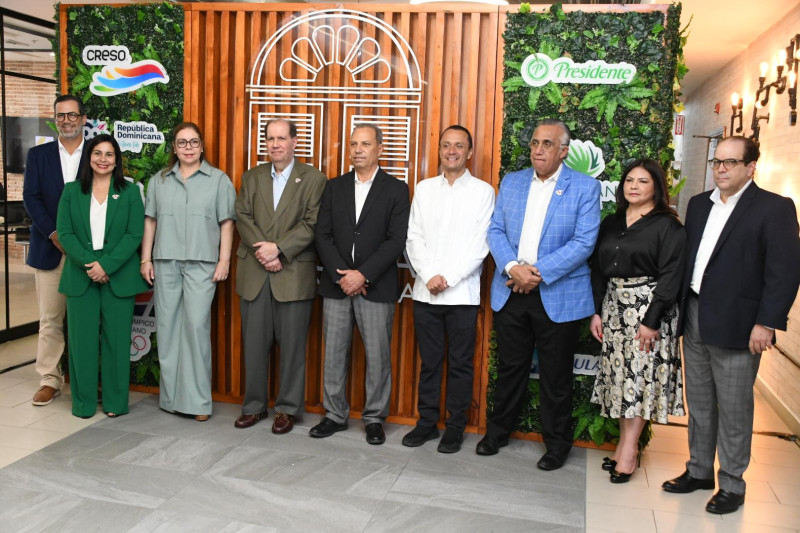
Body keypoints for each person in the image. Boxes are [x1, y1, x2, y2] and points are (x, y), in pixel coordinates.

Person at [662, 136, 800, 514]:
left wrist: (767, 323)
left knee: (735, 408)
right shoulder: (698, 204)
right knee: (701, 403)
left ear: (751, 166)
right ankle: (699, 471)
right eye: (716, 162)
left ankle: (733, 485)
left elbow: (784, 272)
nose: (720, 169)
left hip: (741, 325)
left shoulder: (774, 208)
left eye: (730, 163)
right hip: (695, 315)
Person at [480, 118, 600, 470]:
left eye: (547, 144)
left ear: (564, 151)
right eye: (534, 143)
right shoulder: (513, 182)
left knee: (556, 374)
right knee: (510, 368)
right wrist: (512, 267)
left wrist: (537, 273)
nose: (538, 150)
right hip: (511, 289)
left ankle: (557, 445)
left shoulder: (584, 187)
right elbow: (496, 230)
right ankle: (497, 433)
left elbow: (583, 242)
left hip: (556, 294)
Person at [589, 159, 686, 483]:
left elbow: (672, 275)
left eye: (643, 181)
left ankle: (629, 452)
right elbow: (598, 269)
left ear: (657, 187)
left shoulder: (668, 226)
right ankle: (622, 447)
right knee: (620, 379)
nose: (634, 186)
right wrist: (598, 311)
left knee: (641, 381)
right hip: (614, 308)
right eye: (629, 180)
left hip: (648, 314)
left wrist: (652, 320)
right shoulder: (611, 222)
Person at [311, 124, 410, 445]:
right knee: (334, 354)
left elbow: (396, 240)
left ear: (379, 149)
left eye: (365, 144)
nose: (357, 150)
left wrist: (363, 274)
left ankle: (374, 418)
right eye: (353, 144)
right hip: (337, 285)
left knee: (378, 356)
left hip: (375, 286)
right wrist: (343, 276)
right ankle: (335, 415)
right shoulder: (334, 186)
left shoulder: (396, 189)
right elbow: (322, 234)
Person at [402, 125, 494, 453]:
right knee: (429, 362)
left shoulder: (483, 191)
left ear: (469, 152)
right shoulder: (424, 189)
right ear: (439, 150)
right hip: (426, 292)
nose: (451, 151)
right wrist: (429, 275)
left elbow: (480, 243)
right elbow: (413, 237)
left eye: (458, 146)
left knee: (460, 363)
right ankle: (427, 422)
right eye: (445, 145)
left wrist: (448, 278)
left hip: (462, 295)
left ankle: (455, 426)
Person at [233, 119, 326, 433]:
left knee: (293, 349)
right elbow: (242, 216)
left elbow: (312, 224)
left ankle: (287, 409)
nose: (275, 144)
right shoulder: (252, 176)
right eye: (270, 138)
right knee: (254, 346)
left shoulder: (313, 179)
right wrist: (264, 250)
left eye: (281, 138)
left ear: (294, 141)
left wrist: (279, 250)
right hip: (255, 273)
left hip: (293, 274)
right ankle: (254, 406)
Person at [140, 122, 236, 422]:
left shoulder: (219, 180)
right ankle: (170, 399)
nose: (188, 148)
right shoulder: (160, 180)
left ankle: (197, 403)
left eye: (194, 142)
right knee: (168, 330)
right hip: (166, 262)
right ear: (174, 147)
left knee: (195, 329)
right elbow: (150, 222)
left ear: (202, 145)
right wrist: (146, 259)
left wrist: (224, 261)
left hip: (202, 265)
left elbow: (227, 224)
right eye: (182, 143)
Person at [56, 134, 147, 418]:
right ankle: (82, 404)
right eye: (98, 153)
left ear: (117, 159)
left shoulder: (130, 192)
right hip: (81, 277)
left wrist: (106, 266)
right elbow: (65, 233)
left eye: (109, 154)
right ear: (90, 157)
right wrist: (91, 265)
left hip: (117, 277)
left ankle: (115, 403)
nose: (103, 159)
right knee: (81, 344)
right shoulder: (72, 191)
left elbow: (134, 234)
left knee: (117, 344)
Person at [23, 94, 87, 406]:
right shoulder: (39, 155)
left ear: (83, 118)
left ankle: (86, 378)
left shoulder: (98, 153)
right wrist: (54, 233)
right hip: (51, 250)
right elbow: (31, 198)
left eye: (72, 115)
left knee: (87, 318)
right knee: (50, 319)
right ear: (55, 119)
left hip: (89, 253)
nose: (67, 120)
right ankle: (49, 379)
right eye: (61, 116)